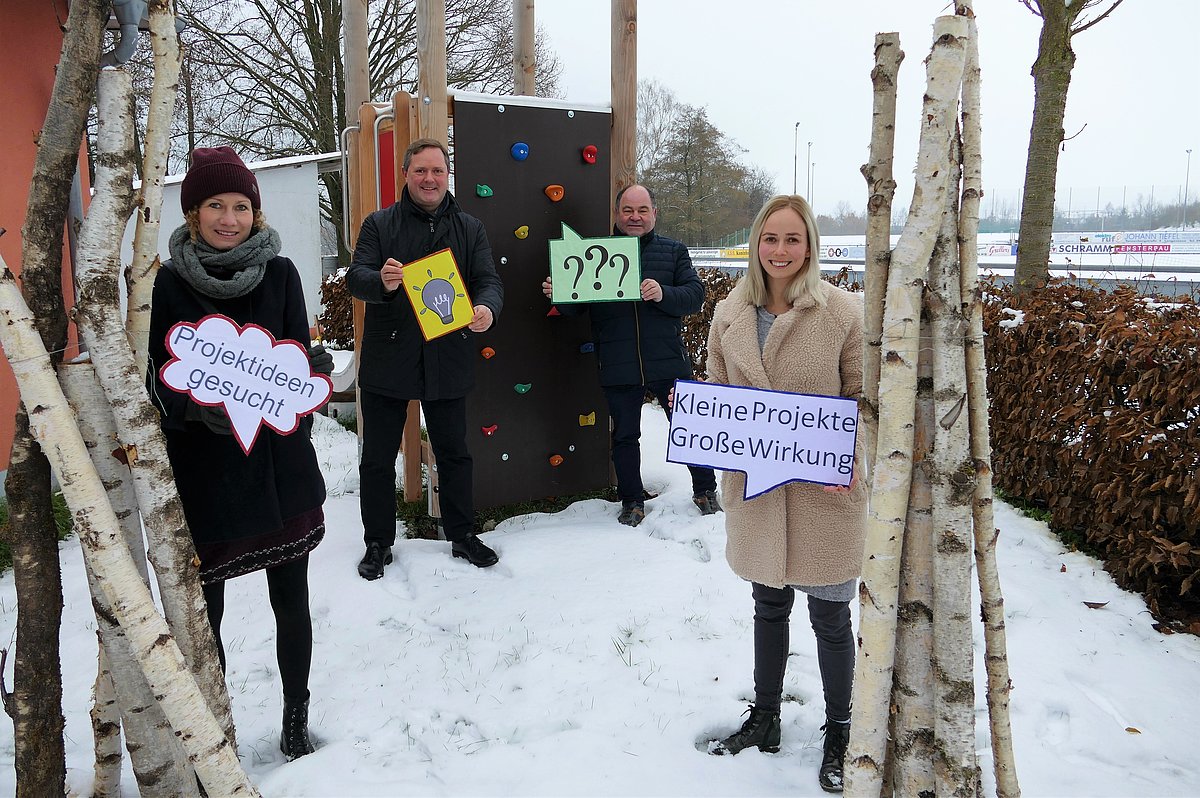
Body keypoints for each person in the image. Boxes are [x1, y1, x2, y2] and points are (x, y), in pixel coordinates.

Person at [147, 146, 331, 761]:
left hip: (277, 467)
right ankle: (214, 724)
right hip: (207, 475)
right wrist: (198, 408)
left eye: (241, 206)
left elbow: (297, 356)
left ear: (256, 212)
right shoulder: (167, 284)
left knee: (292, 604)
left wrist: (311, 374)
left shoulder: (280, 275)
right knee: (206, 616)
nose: (230, 218)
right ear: (193, 211)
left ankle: (296, 719)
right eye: (216, 206)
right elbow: (156, 379)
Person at [703, 195, 867, 794]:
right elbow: (719, 395)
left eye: (792, 239)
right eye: (770, 238)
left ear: (810, 246)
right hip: (758, 494)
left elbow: (864, 401)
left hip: (823, 495)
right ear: (755, 244)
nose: (779, 250)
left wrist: (836, 447)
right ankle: (766, 717)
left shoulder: (843, 314)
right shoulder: (730, 315)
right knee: (768, 606)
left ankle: (842, 731)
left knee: (829, 615)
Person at [348, 137, 504, 579]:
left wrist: (487, 309)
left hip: (447, 357)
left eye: (437, 170)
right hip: (388, 359)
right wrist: (380, 280)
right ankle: (377, 542)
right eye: (420, 171)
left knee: (454, 454)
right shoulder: (379, 225)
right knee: (377, 459)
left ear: (447, 174)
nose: (429, 179)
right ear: (406, 174)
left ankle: (461, 534)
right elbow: (357, 278)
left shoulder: (470, 228)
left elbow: (488, 280)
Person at [541, 184, 720, 527]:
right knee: (624, 436)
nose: (634, 217)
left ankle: (705, 490)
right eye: (627, 210)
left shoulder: (673, 252)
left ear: (654, 213)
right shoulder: (596, 253)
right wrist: (558, 293)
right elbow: (574, 310)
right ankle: (632, 500)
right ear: (617, 214)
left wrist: (662, 293)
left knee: (690, 426)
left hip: (668, 359)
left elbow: (694, 296)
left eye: (642, 210)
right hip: (618, 362)